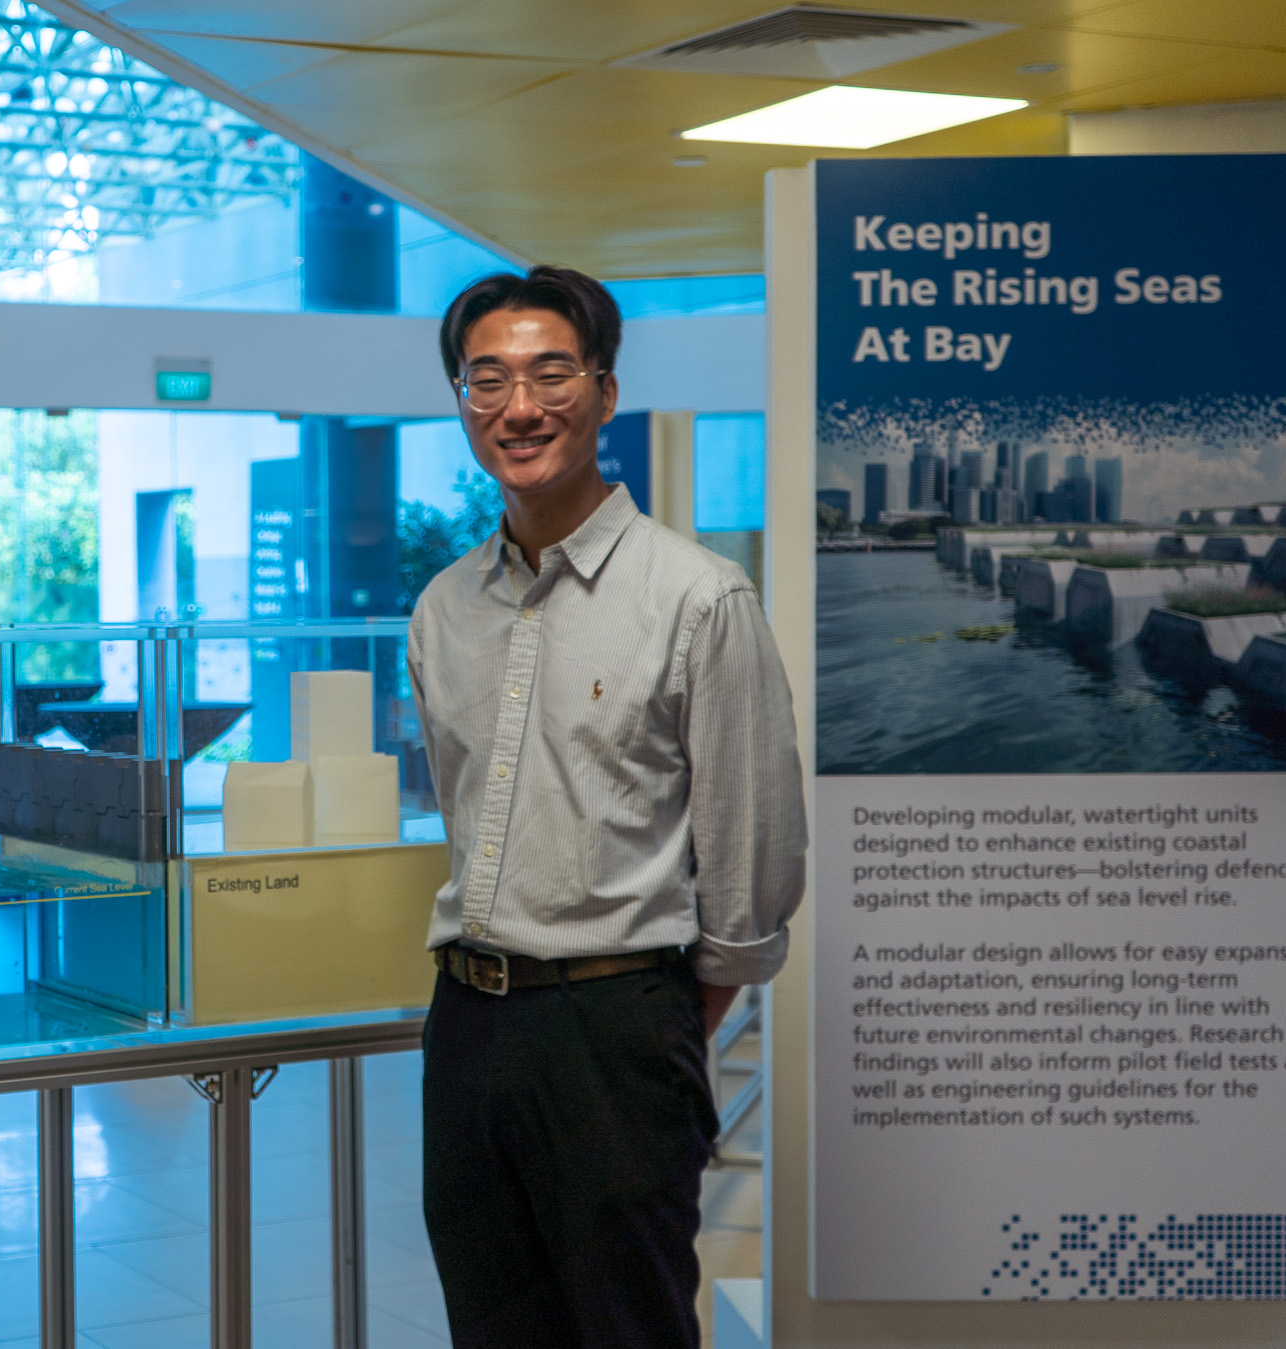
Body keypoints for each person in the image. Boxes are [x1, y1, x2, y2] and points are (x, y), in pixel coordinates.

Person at [407, 267, 806, 1349]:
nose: (518, 407)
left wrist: (662, 1010)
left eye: (549, 374)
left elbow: (752, 846)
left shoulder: (695, 596)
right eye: (486, 379)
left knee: (625, 1328)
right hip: (469, 1026)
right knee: (491, 1326)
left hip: (617, 1028)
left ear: (604, 390)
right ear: (459, 397)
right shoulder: (443, 608)